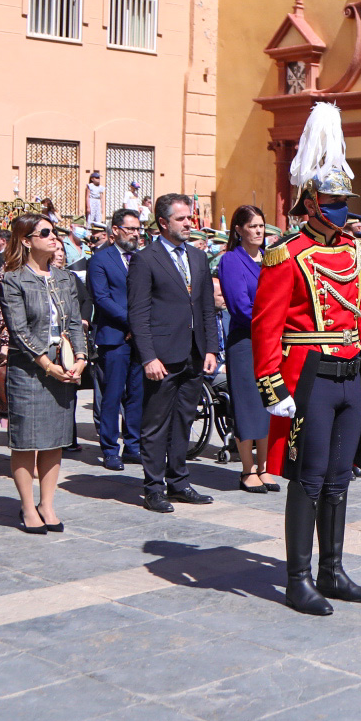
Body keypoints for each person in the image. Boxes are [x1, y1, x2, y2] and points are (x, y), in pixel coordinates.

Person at [253, 103, 361, 615]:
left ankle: (333, 568)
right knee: (308, 477)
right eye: (330, 200)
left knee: (340, 476)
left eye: (343, 201)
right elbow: (267, 325)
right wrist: (271, 385)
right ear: (310, 202)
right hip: (308, 376)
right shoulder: (286, 253)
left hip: (349, 373)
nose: (340, 208)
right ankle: (297, 577)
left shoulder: (354, 251)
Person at [126, 193, 219, 514]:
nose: (188, 223)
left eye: (189, 217)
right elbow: (138, 312)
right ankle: (153, 487)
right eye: (181, 219)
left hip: (193, 354)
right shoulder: (146, 258)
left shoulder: (196, 257)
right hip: (162, 356)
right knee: (156, 423)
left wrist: (211, 348)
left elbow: (206, 306)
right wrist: (148, 356)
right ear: (163, 223)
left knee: (184, 419)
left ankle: (178, 481)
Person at [0, 215, 88, 534]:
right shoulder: (13, 278)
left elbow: (75, 322)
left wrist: (80, 357)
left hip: (63, 362)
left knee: (54, 439)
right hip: (29, 368)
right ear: (26, 240)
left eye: (56, 233)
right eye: (46, 233)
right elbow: (18, 330)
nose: (55, 238)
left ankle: (47, 504)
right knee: (25, 441)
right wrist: (47, 364)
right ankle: (27, 506)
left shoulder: (64, 277)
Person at [217, 205, 278, 491]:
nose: (258, 231)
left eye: (261, 226)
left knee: (268, 401)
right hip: (246, 340)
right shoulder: (231, 260)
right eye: (252, 226)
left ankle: (264, 466)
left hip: (271, 341)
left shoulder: (269, 259)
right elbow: (240, 306)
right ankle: (246, 469)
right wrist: (274, 318)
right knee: (247, 404)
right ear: (238, 229)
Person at [88, 208, 144, 471]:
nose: (135, 233)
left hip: (140, 338)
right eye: (130, 228)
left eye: (137, 229)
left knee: (137, 394)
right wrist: (131, 322)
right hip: (114, 336)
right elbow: (102, 298)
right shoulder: (101, 260)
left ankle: (133, 445)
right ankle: (110, 448)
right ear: (116, 230)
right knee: (112, 394)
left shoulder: (142, 258)